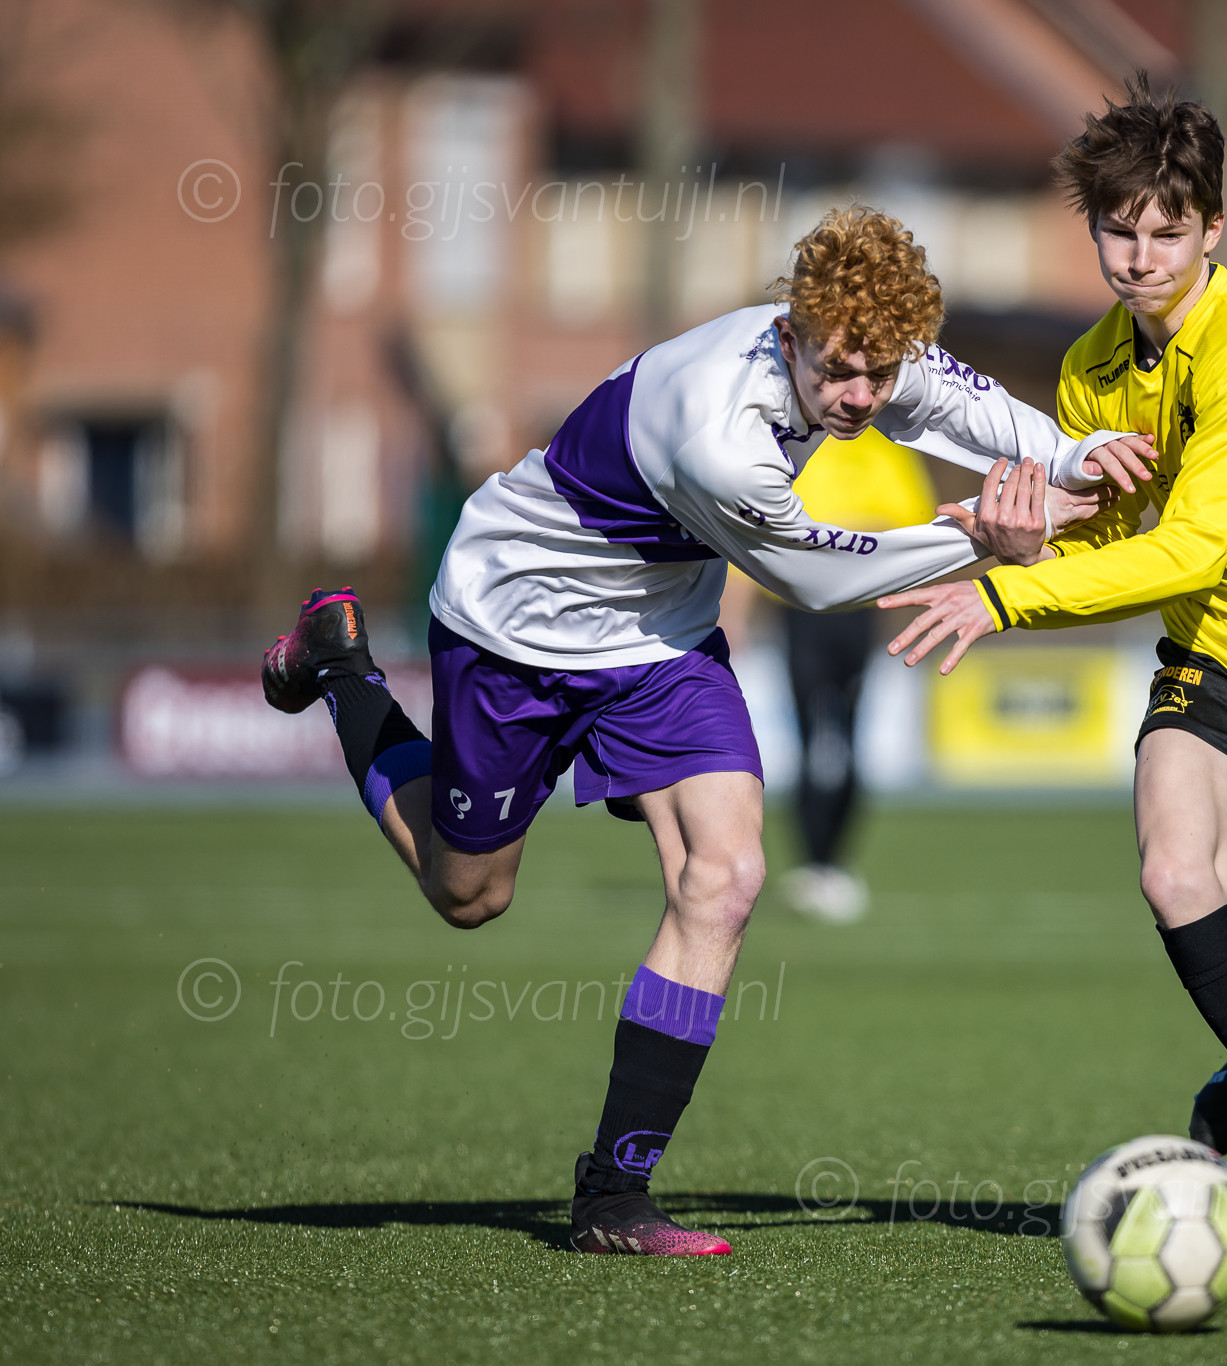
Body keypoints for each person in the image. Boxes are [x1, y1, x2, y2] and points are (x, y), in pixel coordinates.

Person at [258, 207, 1153, 1257]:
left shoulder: (862, 344)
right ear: (790, 331)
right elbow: (816, 576)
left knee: (724, 877)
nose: (860, 397)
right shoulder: (718, 432)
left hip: (660, 644)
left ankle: (613, 1196)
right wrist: (983, 536)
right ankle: (342, 669)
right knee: (469, 894)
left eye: (878, 375)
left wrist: (1078, 455)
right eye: (839, 374)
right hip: (517, 622)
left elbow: (967, 409)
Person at [881, 79, 1227, 1258]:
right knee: (1176, 873)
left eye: (1166, 233)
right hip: (1219, 658)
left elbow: (1186, 546)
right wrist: (1015, 543)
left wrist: (1002, 596)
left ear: (1212, 228)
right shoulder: (1090, 370)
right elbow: (1111, 555)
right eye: (1116, 231)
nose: (1138, 260)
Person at [724, 427, 940, 923]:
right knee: (815, 740)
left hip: (855, 614)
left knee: (844, 740)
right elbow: (756, 535)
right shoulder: (787, 449)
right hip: (800, 613)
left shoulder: (882, 452)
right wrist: (734, 615)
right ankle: (815, 863)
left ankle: (832, 862)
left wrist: (831, 538)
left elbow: (910, 531)